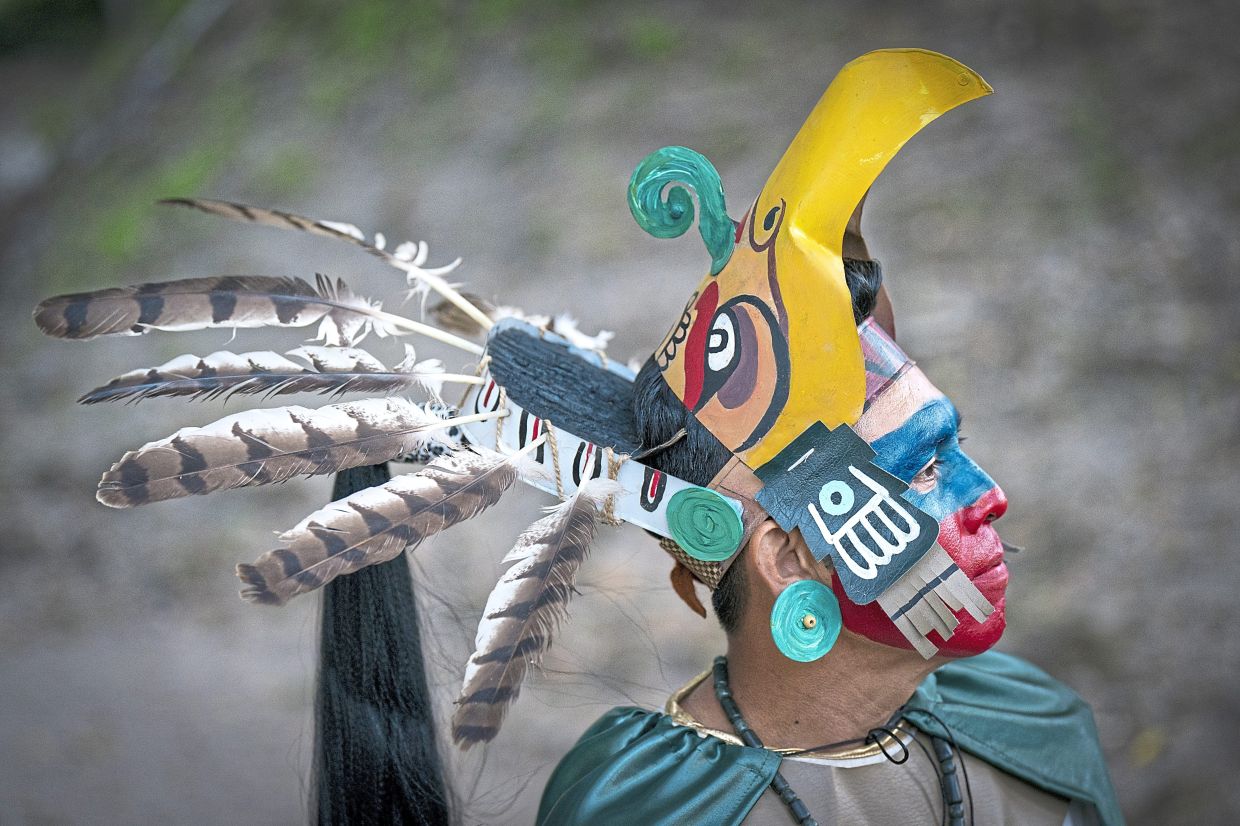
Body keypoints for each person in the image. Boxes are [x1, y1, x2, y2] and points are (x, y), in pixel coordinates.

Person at [35, 48, 1121, 826]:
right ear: (786, 550)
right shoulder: (645, 808)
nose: (990, 495)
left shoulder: (1028, 722)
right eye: (924, 465)